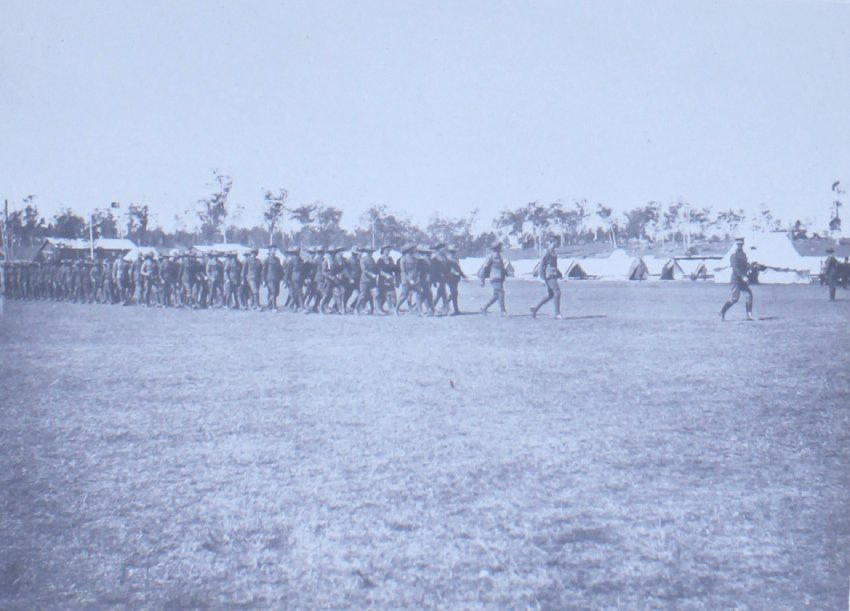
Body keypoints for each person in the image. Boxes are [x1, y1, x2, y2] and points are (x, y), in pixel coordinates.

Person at [720, 238, 754, 321]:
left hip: (743, 280)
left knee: (749, 296)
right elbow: (735, 268)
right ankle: (722, 311)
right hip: (736, 280)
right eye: (739, 244)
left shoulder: (744, 255)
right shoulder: (733, 255)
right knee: (734, 299)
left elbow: (745, 266)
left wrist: (750, 267)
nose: (740, 245)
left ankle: (749, 315)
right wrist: (743, 276)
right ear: (736, 244)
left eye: (741, 244)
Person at [530, 238, 563, 319]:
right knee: (557, 292)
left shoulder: (553, 251)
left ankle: (535, 308)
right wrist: (542, 278)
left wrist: (559, 273)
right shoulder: (547, 252)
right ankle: (557, 314)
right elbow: (542, 265)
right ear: (552, 242)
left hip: (553, 274)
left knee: (551, 295)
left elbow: (554, 264)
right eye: (556, 241)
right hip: (549, 275)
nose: (558, 243)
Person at [478, 240, 509, 316]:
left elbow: (501, 267)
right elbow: (485, 268)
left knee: (496, 296)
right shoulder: (491, 256)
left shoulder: (499, 256)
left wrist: (506, 273)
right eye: (500, 247)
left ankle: (484, 308)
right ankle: (503, 311)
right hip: (495, 277)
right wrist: (482, 280)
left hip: (500, 278)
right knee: (501, 293)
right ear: (496, 248)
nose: (501, 248)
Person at [395, 244, 423, 315]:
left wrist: (417, 278)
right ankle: (396, 309)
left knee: (419, 294)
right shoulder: (403, 259)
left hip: (414, 280)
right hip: (406, 280)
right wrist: (409, 279)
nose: (414, 250)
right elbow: (403, 271)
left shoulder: (414, 258)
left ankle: (419, 311)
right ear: (408, 250)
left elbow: (416, 270)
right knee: (404, 296)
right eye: (412, 249)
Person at [357, 247, 379, 313]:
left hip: (372, 280)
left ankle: (373, 309)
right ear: (367, 252)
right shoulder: (363, 259)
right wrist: (372, 275)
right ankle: (357, 308)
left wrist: (377, 273)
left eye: (372, 252)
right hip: (365, 280)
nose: (371, 253)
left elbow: (375, 269)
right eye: (369, 251)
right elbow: (364, 270)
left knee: (373, 294)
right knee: (363, 295)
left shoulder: (372, 259)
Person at [445, 246, 467, 315]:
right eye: (452, 251)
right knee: (454, 292)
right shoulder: (447, 258)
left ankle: (455, 309)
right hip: (450, 277)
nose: (453, 252)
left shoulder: (456, 258)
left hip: (456, 277)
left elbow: (458, 268)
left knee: (454, 293)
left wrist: (462, 275)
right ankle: (447, 305)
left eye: (454, 251)